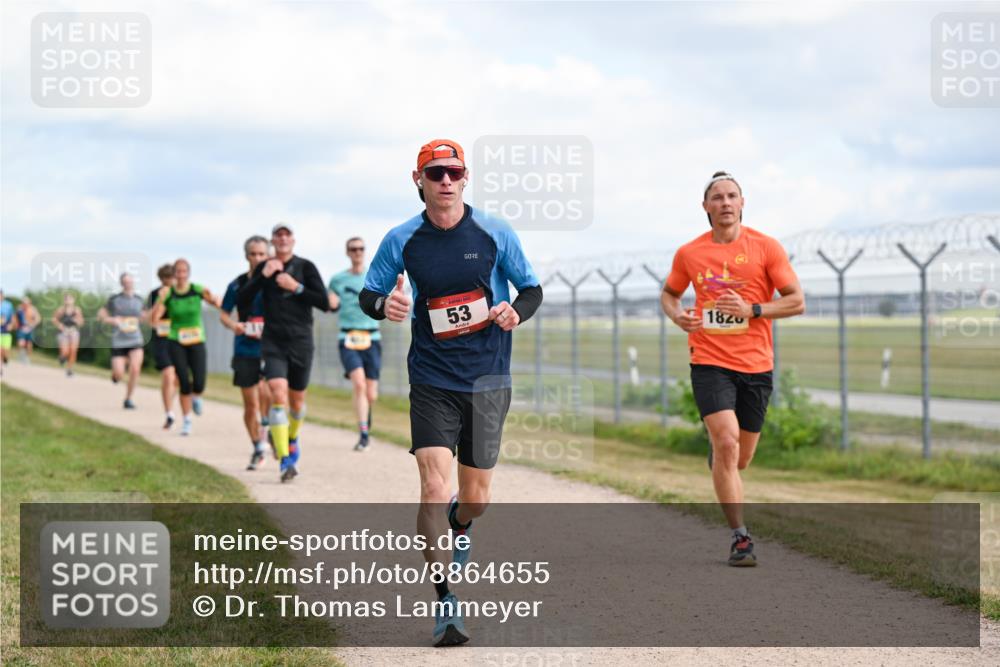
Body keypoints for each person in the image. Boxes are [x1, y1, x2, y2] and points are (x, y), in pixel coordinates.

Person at [359, 139, 543, 647]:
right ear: (417, 179)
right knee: (433, 489)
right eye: (434, 172)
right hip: (432, 378)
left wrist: (515, 312)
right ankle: (445, 603)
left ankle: (463, 524)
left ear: (466, 178)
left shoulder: (494, 231)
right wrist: (385, 308)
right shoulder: (402, 239)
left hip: (487, 378)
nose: (444, 181)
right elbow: (369, 292)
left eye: (453, 172)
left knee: (475, 499)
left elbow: (531, 288)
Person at [660, 170, 804, 567]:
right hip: (708, 360)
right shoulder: (690, 253)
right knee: (726, 442)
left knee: (740, 458)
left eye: (732, 196)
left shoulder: (766, 248)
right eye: (717, 197)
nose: (725, 203)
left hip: (756, 364)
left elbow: (796, 301)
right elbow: (670, 294)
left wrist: (754, 309)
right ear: (705, 207)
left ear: (743, 203)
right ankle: (741, 538)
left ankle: (723, 462)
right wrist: (678, 317)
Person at [237, 223, 329, 483]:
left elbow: (323, 301)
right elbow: (243, 300)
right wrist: (263, 275)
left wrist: (296, 286)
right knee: (277, 393)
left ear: (293, 240)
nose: (283, 238)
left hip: (301, 341)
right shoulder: (265, 269)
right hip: (273, 341)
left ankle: (291, 437)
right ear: (272, 241)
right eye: (278, 235)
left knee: (297, 402)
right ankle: (285, 460)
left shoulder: (306, 267)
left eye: (287, 234)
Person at [151, 259, 221, 436]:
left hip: (196, 339)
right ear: (174, 274)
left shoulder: (196, 289)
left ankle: (197, 396)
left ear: (188, 273)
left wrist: (215, 299)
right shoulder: (168, 293)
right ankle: (187, 420)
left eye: (184, 272)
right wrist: (160, 300)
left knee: (199, 381)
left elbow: (216, 303)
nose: (181, 275)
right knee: (182, 380)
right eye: (178, 272)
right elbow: (155, 319)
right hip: (176, 340)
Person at [221, 235, 273, 470]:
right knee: (250, 403)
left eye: (262, 254)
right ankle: (257, 446)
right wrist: (235, 325)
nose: (258, 258)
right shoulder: (237, 284)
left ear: (268, 255)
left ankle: (268, 426)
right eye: (254, 254)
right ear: (246, 256)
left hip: (271, 346)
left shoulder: (274, 282)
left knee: (269, 392)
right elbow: (224, 313)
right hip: (245, 347)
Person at [328, 236, 382, 451]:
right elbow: (331, 301)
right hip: (348, 337)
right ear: (347, 252)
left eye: (360, 248)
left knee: (371, 394)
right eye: (353, 249)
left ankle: (365, 418)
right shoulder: (337, 279)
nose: (357, 252)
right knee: (358, 384)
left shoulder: (375, 276)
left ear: (364, 251)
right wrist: (331, 302)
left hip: (372, 337)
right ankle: (363, 434)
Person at [98, 273, 147, 409]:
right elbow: (101, 315)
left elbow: (144, 317)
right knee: (119, 373)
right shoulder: (114, 299)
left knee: (135, 369)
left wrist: (142, 318)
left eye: (130, 281)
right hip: (119, 341)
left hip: (135, 339)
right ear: (121, 283)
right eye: (125, 281)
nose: (128, 284)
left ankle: (128, 399)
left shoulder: (139, 300)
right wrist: (113, 320)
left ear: (133, 282)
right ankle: (116, 375)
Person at [147, 264, 180, 429]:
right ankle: (169, 413)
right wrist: (160, 300)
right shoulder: (154, 294)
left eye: (171, 278)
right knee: (168, 374)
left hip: (179, 340)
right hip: (161, 339)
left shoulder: (180, 294)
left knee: (178, 379)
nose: (169, 282)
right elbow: (149, 319)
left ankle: (170, 403)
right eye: (165, 279)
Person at [52, 292, 84, 377]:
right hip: (63, 332)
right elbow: (54, 319)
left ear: (73, 300)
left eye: (70, 298)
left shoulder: (77, 310)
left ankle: (69, 369)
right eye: (66, 299)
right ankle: (62, 357)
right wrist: (60, 325)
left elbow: (81, 321)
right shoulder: (61, 310)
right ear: (64, 300)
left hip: (73, 331)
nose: (68, 300)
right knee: (65, 351)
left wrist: (78, 321)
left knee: (73, 351)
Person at [15, 296, 41, 363]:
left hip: (30, 329)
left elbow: (38, 318)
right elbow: (16, 317)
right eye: (23, 302)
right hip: (21, 328)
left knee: (29, 344)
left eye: (26, 303)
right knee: (21, 343)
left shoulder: (33, 309)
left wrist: (33, 324)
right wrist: (16, 325)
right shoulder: (19, 309)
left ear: (29, 303)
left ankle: (27, 357)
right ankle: (21, 354)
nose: (25, 304)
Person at [0, 290, 14, 368]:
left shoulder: (8, 305)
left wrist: (11, 325)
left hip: (6, 331)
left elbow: (12, 316)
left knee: (5, 351)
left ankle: (5, 358)